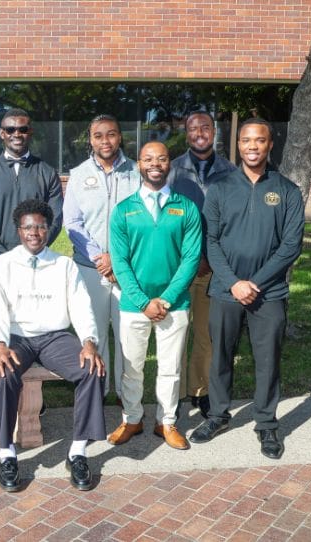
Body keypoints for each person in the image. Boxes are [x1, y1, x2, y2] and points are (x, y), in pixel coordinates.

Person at [190, 118, 305, 460]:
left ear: (270, 144)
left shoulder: (287, 190)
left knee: (268, 360)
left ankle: (266, 423)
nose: (253, 146)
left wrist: (255, 283)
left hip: (269, 293)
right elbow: (210, 241)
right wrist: (234, 282)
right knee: (220, 355)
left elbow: (291, 245)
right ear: (238, 145)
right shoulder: (220, 188)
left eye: (260, 140)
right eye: (246, 140)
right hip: (225, 289)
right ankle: (217, 415)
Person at [0, 199, 105, 492]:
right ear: (18, 230)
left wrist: (89, 341)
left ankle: (78, 451)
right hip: (17, 338)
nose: (34, 233)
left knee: (91, 368)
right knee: (2, 375)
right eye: (28, 227)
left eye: (40, 227)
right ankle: (7, 454)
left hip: (54, 337)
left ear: (49, 230)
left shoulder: (64, 265)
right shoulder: (1, 264)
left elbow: (81, 305)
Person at [108, 142, 202, 450]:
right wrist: (143, 301)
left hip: (174, 304)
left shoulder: (186, 208)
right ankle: (132, 419)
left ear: (169, 164)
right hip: (133, 304)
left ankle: (167, 422)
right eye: (148, 159)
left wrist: (166, 299)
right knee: (131, 369)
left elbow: (191, 258)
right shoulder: (124, 210)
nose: (155, 164)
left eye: (161, 159)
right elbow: (120, 262)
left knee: (170, 368)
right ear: (139, 164)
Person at [63, 114, 140, 398]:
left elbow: (142, 222)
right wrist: (100, 258)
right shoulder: (78, 174)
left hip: (127, 269)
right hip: (89, 268)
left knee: (126, 337)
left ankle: (125, 396)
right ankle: (97, 393)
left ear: (120, 137)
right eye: (98, 135)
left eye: (111, 134)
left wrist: (117, 259)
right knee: (92, 334)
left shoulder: (137, 172)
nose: (105, 141)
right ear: (90, 140)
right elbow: (73, 224)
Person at [168, 111, 237, 419]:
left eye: (205, 127)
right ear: (187, 133)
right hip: (179, 267)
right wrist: (190, 259)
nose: (199, 133)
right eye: (193, 128)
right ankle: (174, 392)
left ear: (214, 132)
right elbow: (165, 221)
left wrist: (212, 258)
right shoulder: (171, 171)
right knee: (176, 333)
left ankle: (201, 390)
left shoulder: (230, 172)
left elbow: (233, 222)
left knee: (206, 334)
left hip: (214, 268)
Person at [0, 108, 63, 266]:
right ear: (2, 133)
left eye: (23, 129)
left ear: (30, 132)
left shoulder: (48, 173)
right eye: (10, 130)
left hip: (37, 261)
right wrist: (2, 255)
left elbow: (55, 218)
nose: (17, 134)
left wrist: (34, 249)